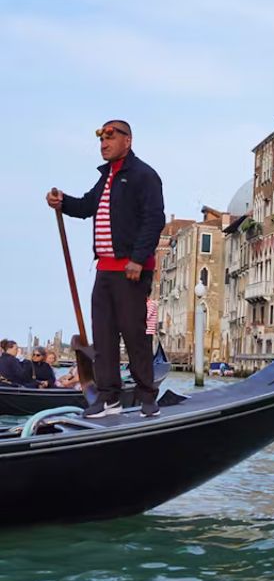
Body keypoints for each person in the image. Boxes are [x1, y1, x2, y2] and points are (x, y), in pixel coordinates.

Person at [47, 120, 166, 417]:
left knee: (134, 334)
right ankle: (108, 397)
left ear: (128, 141)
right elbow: (88, 206)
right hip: (104, 270)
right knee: (104, 336)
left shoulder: (144, 175)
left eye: (110, 139)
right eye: (101, 140)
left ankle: (147, 397)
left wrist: (138, 259)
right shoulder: (107, 177)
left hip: (131, 269)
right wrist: (63, 203)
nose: (104, 144)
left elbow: (154, 219)